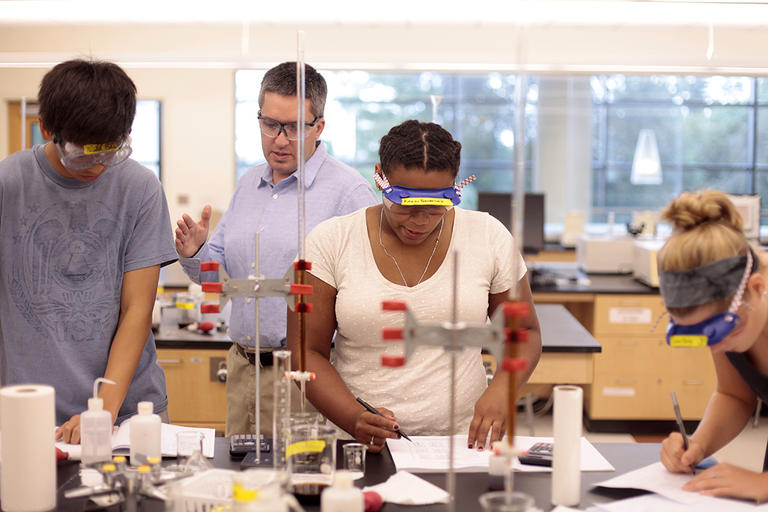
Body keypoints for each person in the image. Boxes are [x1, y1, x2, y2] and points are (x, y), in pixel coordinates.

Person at [287, 120, 542, 453]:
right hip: (359, 444)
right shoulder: (329, 241)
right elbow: (304, 352)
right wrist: (353, 417)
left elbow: (524, 333)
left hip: (463, 445)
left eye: (437, 206)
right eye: (407, 205)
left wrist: (501, 391)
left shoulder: (489, 236)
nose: (421, 221)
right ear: (380, 177)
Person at [175, 62, 378, 437]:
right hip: (241, 369)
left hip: (306, 377)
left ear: (319, 126)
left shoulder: (350, 193)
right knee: (243, 483)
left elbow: (366, 296)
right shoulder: (249, 182)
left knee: (299, 486)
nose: (279, 139)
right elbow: (217, 279)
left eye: (294, 127)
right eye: (269, 124)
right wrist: (195, 252)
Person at [0, 59, 177, 442]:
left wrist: (103, 409)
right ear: (47, 129)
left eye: (110, 153)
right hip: (29, 409)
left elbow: (137, 309)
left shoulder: (140, 188)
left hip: (128, 413)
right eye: (82, 154)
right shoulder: (8, 184)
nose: (97, 167)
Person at [658, 190, 768, 502]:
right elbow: (734, 394)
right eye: (702, 335)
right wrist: (698, 446)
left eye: (719, 330)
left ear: (757, 288)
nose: (717, 348)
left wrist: (765, 484)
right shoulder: (732, 319)